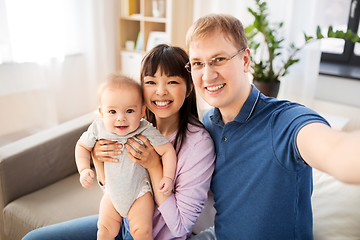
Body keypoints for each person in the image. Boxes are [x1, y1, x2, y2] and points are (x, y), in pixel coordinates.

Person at [185, 14, 360, 239]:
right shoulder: (207, 124)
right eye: (198, 63)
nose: (207, 75)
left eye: (219, 59)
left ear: (245, 61)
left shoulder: (286, 121)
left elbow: (336, 151)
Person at [22, 44, 215, 240]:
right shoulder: (132, 123)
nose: (160, 91)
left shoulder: (198, 145)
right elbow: (117, 189)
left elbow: (180, 228)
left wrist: (154, 166)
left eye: (172, 82)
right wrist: (98, 162)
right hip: (121, 224)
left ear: (189, 87)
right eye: (150, 82)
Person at [75, 74, 177, 239]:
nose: (121, 118)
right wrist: (84, 169)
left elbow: (167, 151)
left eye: (129, 110)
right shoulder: (98, 128)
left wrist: (168, 177)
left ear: (142, 111)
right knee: (104, 230)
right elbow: (81, 146)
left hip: (139, 194)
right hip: (112, 193)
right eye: (112, 111)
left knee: (142, 231)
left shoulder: (145, 129)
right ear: (101, 112)